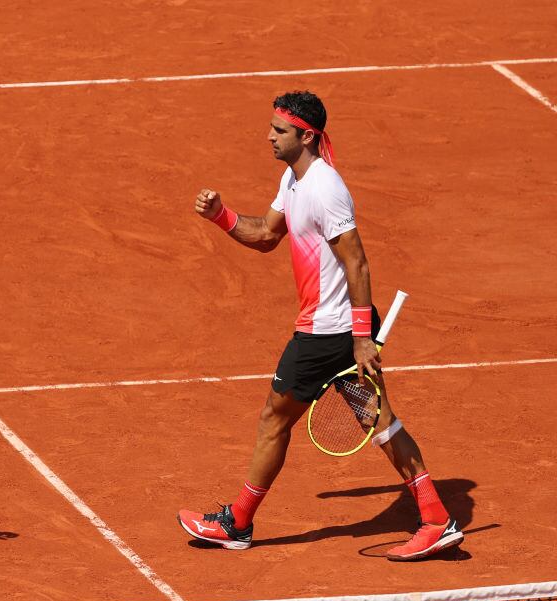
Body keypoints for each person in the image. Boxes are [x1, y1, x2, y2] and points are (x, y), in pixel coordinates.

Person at [177, 92, 463, 562]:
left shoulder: (325, 189)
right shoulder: (293, 178)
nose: (269, 136)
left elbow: (358, 263)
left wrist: (360, 337)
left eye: (279, 130)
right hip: (338, 330)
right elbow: (267, 235)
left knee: (274, 417)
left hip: (327, 333)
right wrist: (221, 217)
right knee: (380, 422)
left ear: (305, 135)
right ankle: (436, 519)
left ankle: (238, 524)